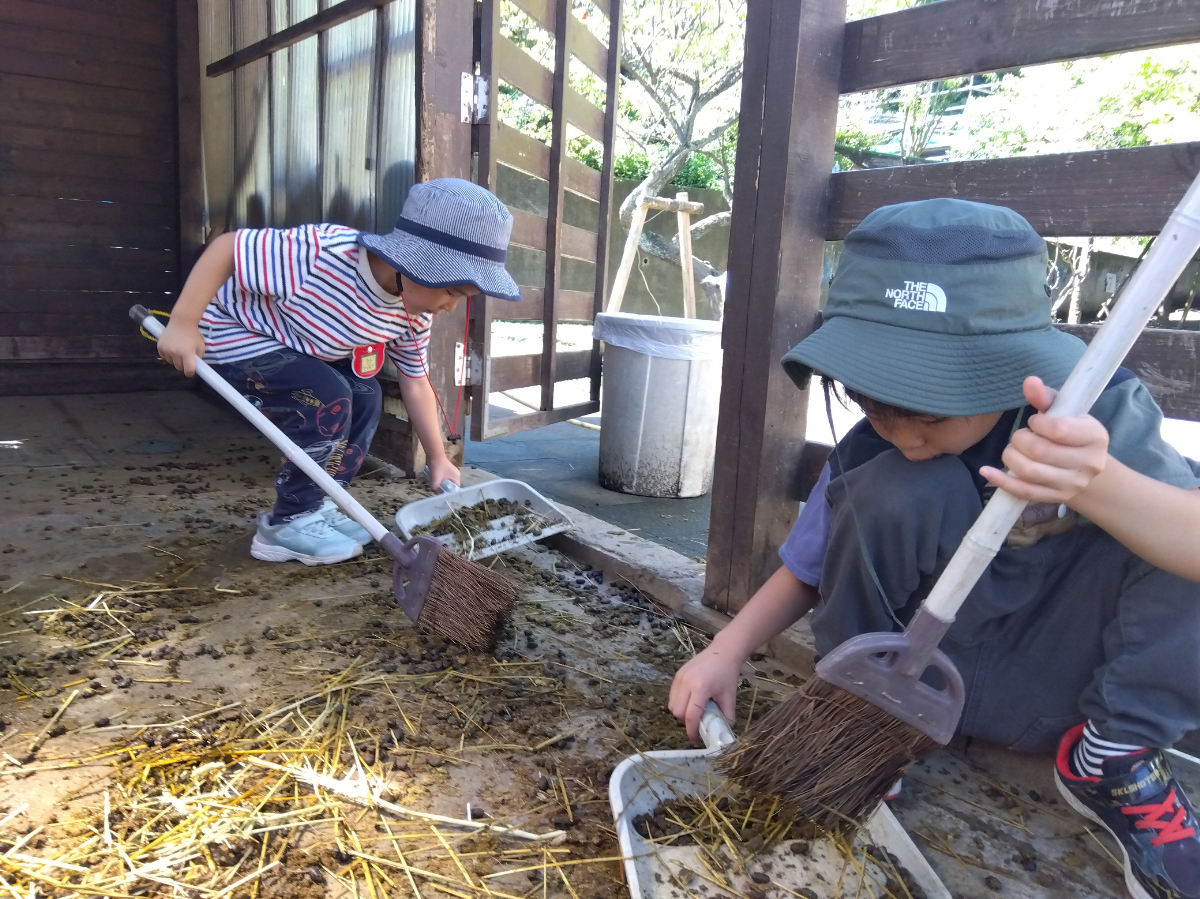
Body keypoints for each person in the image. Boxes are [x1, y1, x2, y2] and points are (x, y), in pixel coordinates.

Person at [670, 199, 1200, 899]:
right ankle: (861, 720)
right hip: (908, 686)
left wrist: (1099, 485)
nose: (901, 433)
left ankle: (1112, 759)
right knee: (892, 487)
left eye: (928, 408)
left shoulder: (1095, 415)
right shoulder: (876, 452)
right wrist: (725, 649)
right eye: (873, 402)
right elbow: (805, 566)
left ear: (1015, 370)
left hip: (1060, 685)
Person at [156, 178, 520, 566]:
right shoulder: (321, 255)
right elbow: (228, 248)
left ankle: (321, 502)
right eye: (452, 291)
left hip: (295, 346)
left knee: (367, 395)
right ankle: (286, 523)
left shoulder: (411, 315)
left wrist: (438, 457)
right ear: (417, 263)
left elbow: (415, 383)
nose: (450, 307)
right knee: (329, 396)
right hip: (232, 334)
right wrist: (183, 323)